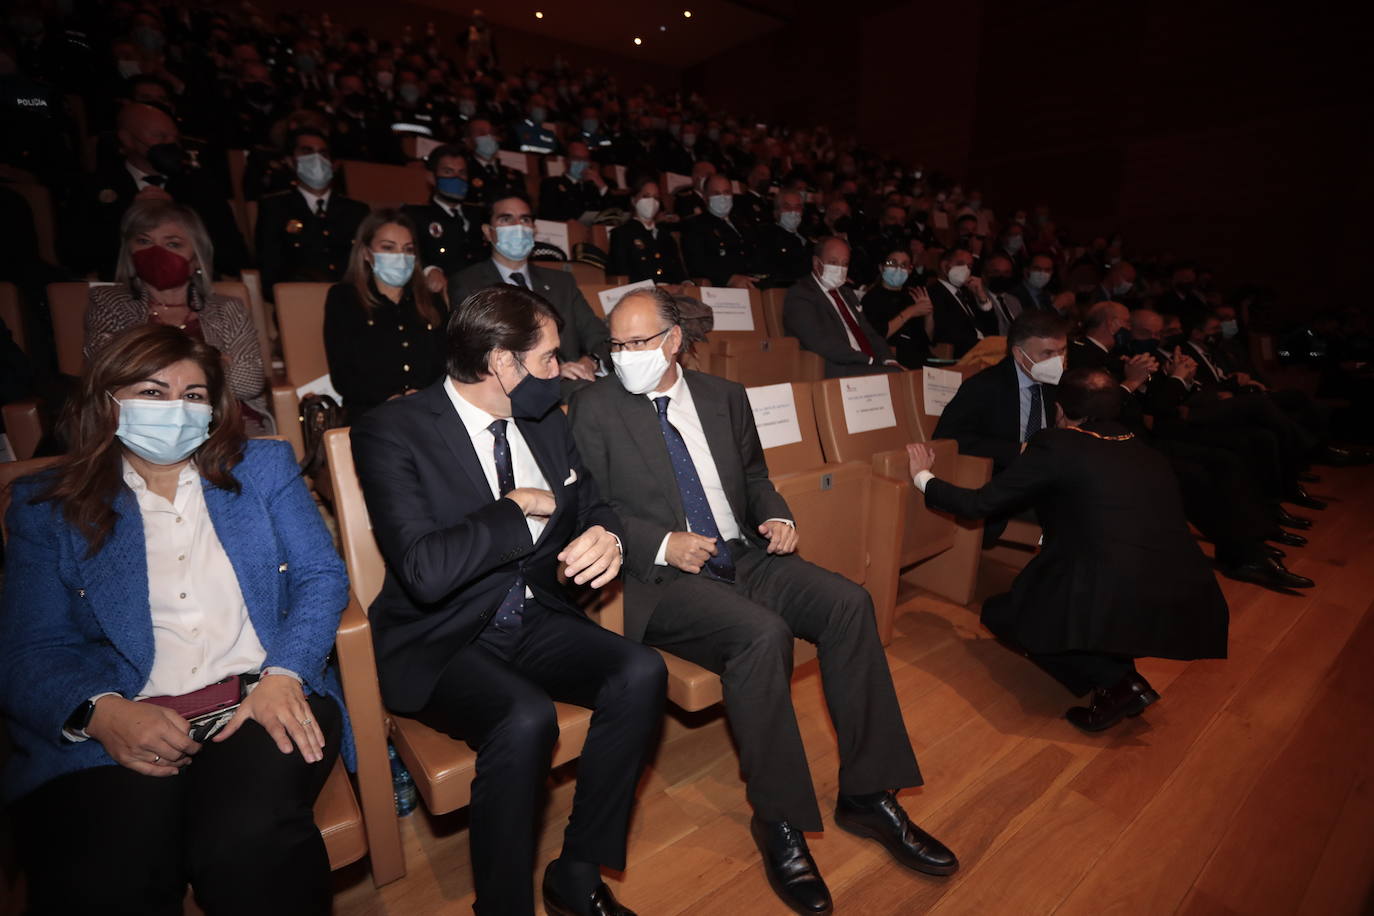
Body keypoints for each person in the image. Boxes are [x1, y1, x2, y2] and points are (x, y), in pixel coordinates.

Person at [569, 287, 958, 915]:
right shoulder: (593, 408)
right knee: (761, 635)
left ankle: (867, 794)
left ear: (672, 343)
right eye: (614, 344)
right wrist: (663, 543)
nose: (622, 356)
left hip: (742, 554)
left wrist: (776, 515)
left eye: (635, 344)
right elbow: (589, 508)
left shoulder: (725, 399)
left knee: (849, 605)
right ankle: (778, 820)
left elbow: (753, 479)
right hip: (657, 579)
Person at [1, 324, 350, 914]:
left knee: (248, 846)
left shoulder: (262, 467)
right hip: (126, 720)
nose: (175, 411)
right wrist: (101, 713)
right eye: (153, 393)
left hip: (256, 699)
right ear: (107, 401)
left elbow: (322, 575)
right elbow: (27, 650)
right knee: (110, 873)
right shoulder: (49, 506)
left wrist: (284, 673)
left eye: (192, 397)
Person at [350, 285, 665, 916]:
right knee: (525, 717)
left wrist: (605, 533)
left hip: (533, 611)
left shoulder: (547, 419)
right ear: (502, 362)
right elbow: (424, 571)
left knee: (640, 671)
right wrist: (515, 507)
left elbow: (592, 502)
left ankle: (576, 872)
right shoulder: (393, 430)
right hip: (442, 635)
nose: (561, 369)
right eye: (548, 358)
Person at [908, 368, 1230, 731]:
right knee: (1086, 611)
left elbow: (978, 505)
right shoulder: (1142, 448)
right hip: (1178, 586)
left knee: (1001, 615)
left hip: (1105, 583)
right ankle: (1121, 682)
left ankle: (1120, 685)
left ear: (1059, 409)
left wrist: (923, 477)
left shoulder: (1056, 444)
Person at [84, 199, 272, 435]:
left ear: (196, 259)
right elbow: (108, 372)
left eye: (172, 244)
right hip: (140, 425)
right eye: (143, 241)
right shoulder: (109, 302)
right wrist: (215, 360)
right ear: (129, 251)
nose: (156, 252)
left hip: (222, 421)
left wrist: (151, 364)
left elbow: (249, 383)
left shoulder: (226, 309)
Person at [64, 102, 246, 278]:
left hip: (191, 288)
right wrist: (131, 217)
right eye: (160, 137)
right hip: (120, 286)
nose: (170, 144)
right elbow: (75, 255)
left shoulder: (200, 185)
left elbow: (232, 253)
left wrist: (178, 217)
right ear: (127, 139)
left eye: (174, 139)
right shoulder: (94, 186)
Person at [449, 194, 609, 393]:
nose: (518, 226)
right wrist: (552, 371)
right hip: (510, 391)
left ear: (534, 229)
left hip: (575, 385)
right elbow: (476, 355)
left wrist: (590, 362)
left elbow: (600, 337)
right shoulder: (468, 284)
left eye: (525, 219)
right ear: (488, 232)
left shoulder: (562, 283)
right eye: (506, 219)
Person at [323, 209, 448, 420]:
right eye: (388, 248)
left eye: (407, 249)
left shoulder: (430, 300)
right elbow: (344, 374)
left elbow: (448, 364)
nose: (400, 257)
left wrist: (426, 396)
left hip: (430, 411)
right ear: (366, 252)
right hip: (373, 413)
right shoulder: (344, 299)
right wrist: (388, 398)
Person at [254, 127, 369, 295]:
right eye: (307, 152)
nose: (317, 159)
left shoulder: (356, 211)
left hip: (349, 300)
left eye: (323, 153)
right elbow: (270, 270)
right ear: (290, 161)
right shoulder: (275, 208)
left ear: (334, 164)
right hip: (298, 299)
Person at [783, 237, 901, 377]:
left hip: (866, 365)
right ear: (816, 263)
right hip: (835, 367)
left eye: (844, 264)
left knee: (905, 373)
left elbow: (869, 333)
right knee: (898, 376)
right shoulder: (801, 294)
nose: (839, 269)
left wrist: (888, 359)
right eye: (833, 262)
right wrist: (868, 360)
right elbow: (819, 341)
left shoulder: (847, 293)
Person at [403, 143, 487, 280]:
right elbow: (408, 254)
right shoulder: (415, 216)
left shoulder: (480, 214)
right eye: (448, 172)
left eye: (462, 173)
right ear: (431, 177)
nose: (456, 178)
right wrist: (429, 270)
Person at [861, 248, 934, 368]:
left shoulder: (912, 296)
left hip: (922, 358)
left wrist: (928, 313)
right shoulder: (871, 298)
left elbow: (928, 339)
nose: (898, 269)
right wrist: (910, 312)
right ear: (881, 267)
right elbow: (878, 336)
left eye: (904, 265)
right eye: (892, 263)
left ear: (910, 270)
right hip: (894, 359)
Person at [607, 177, 688, 284]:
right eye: (646, 196)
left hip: (672, 294)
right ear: (633, 200)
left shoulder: (665, 235)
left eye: (656, 198)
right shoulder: (622, 234)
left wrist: (686, 282)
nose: (652, 201)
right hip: (642, 295)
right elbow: (622, 274)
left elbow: (679, 271)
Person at [681, 173, 754, 287]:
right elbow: (697, 264)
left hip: (752, 281)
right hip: (723, 287)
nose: (723, 198)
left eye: (726, 192)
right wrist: (728, 278)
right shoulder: (696, 225)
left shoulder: (743, 223)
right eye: (716, 193)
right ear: (705, 197)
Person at [929, 247, 998, 357]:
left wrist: (982, 297)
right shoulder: (933, 293)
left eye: (969, 266)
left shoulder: (968, 294)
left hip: (982, 352)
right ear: (944, 266)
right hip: (960, 355)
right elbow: (945, 333)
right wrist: (983, 345)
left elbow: (993, 330)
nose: (965, 269)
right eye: (960, 263)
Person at [748, 188, 812, 289]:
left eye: (797, 207)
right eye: (787, 207)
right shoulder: (767, 236)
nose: (793, 212)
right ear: (776, 212)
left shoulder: (808, 238)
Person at [537, 140, 609, 222]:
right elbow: (547, 214)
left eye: (585, 159)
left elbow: (613, 214)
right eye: (577, 158)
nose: (582, 162)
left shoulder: (594, 185)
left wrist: (602, 186)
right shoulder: (551, 184)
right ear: (566, 160)